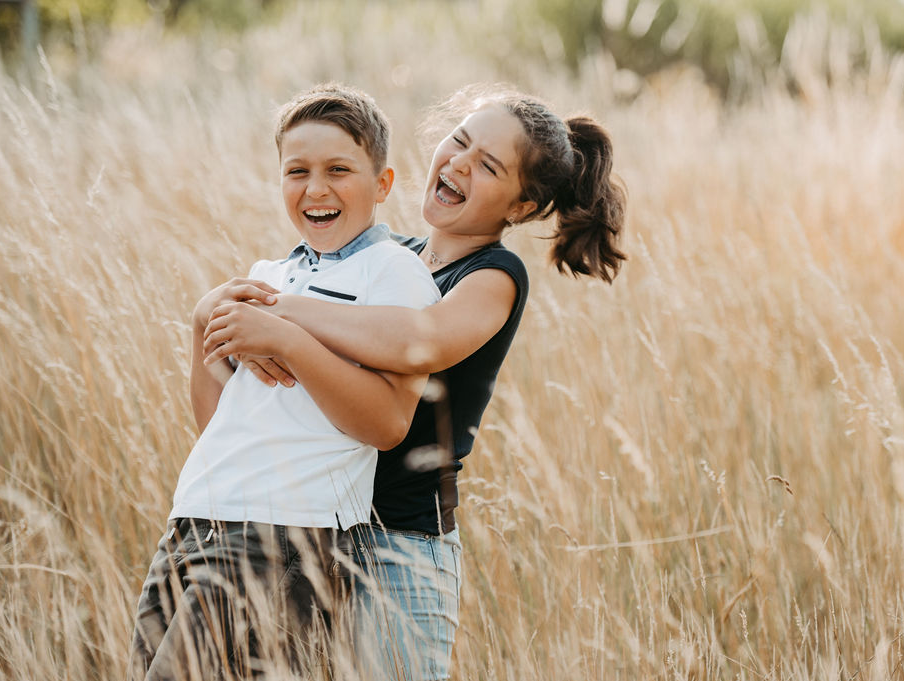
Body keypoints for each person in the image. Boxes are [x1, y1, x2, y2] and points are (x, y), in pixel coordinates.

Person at [203, 84, 627, 680]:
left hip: (401, 548)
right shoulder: (386, 260)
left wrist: (282, 314)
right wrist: (218, 318)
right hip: (313, 533)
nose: (460, 163)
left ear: (521, 207)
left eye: (489, 165)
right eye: (459, 141)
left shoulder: (494, 276)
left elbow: (416, 341)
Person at [126, 84, 440, 681]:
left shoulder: (393, 272)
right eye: (297, 171)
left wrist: (289, 342)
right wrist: (202, 325)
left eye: (338, 170)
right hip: (196, 519)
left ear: (382, 184)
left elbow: (388, 424)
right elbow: (221, 423)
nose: (315, 189)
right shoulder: (267, 275)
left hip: (285, 532)